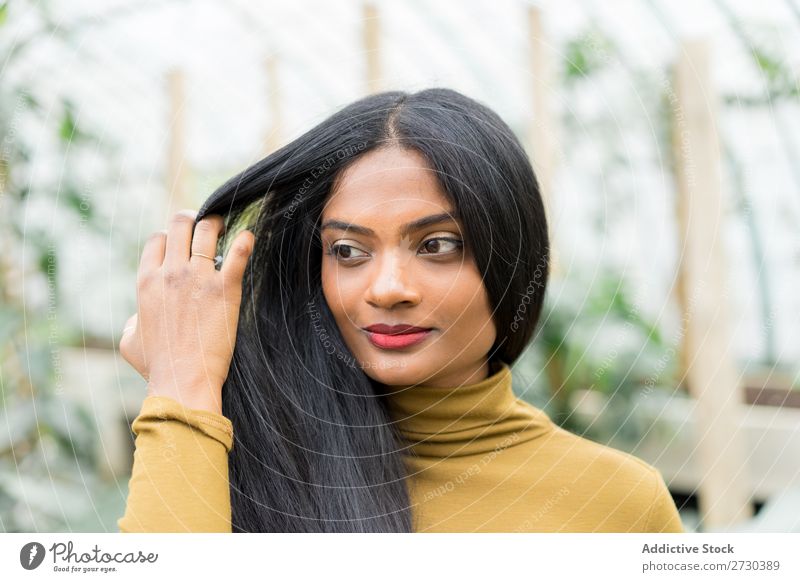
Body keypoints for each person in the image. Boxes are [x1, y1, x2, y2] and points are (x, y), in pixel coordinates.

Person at [117, 88, 684, 533]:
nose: (387, 289)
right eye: (348, 251)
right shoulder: (232, 456)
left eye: (437, 244)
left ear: (511, 257)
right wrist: (183, 390)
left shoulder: (619, 507)